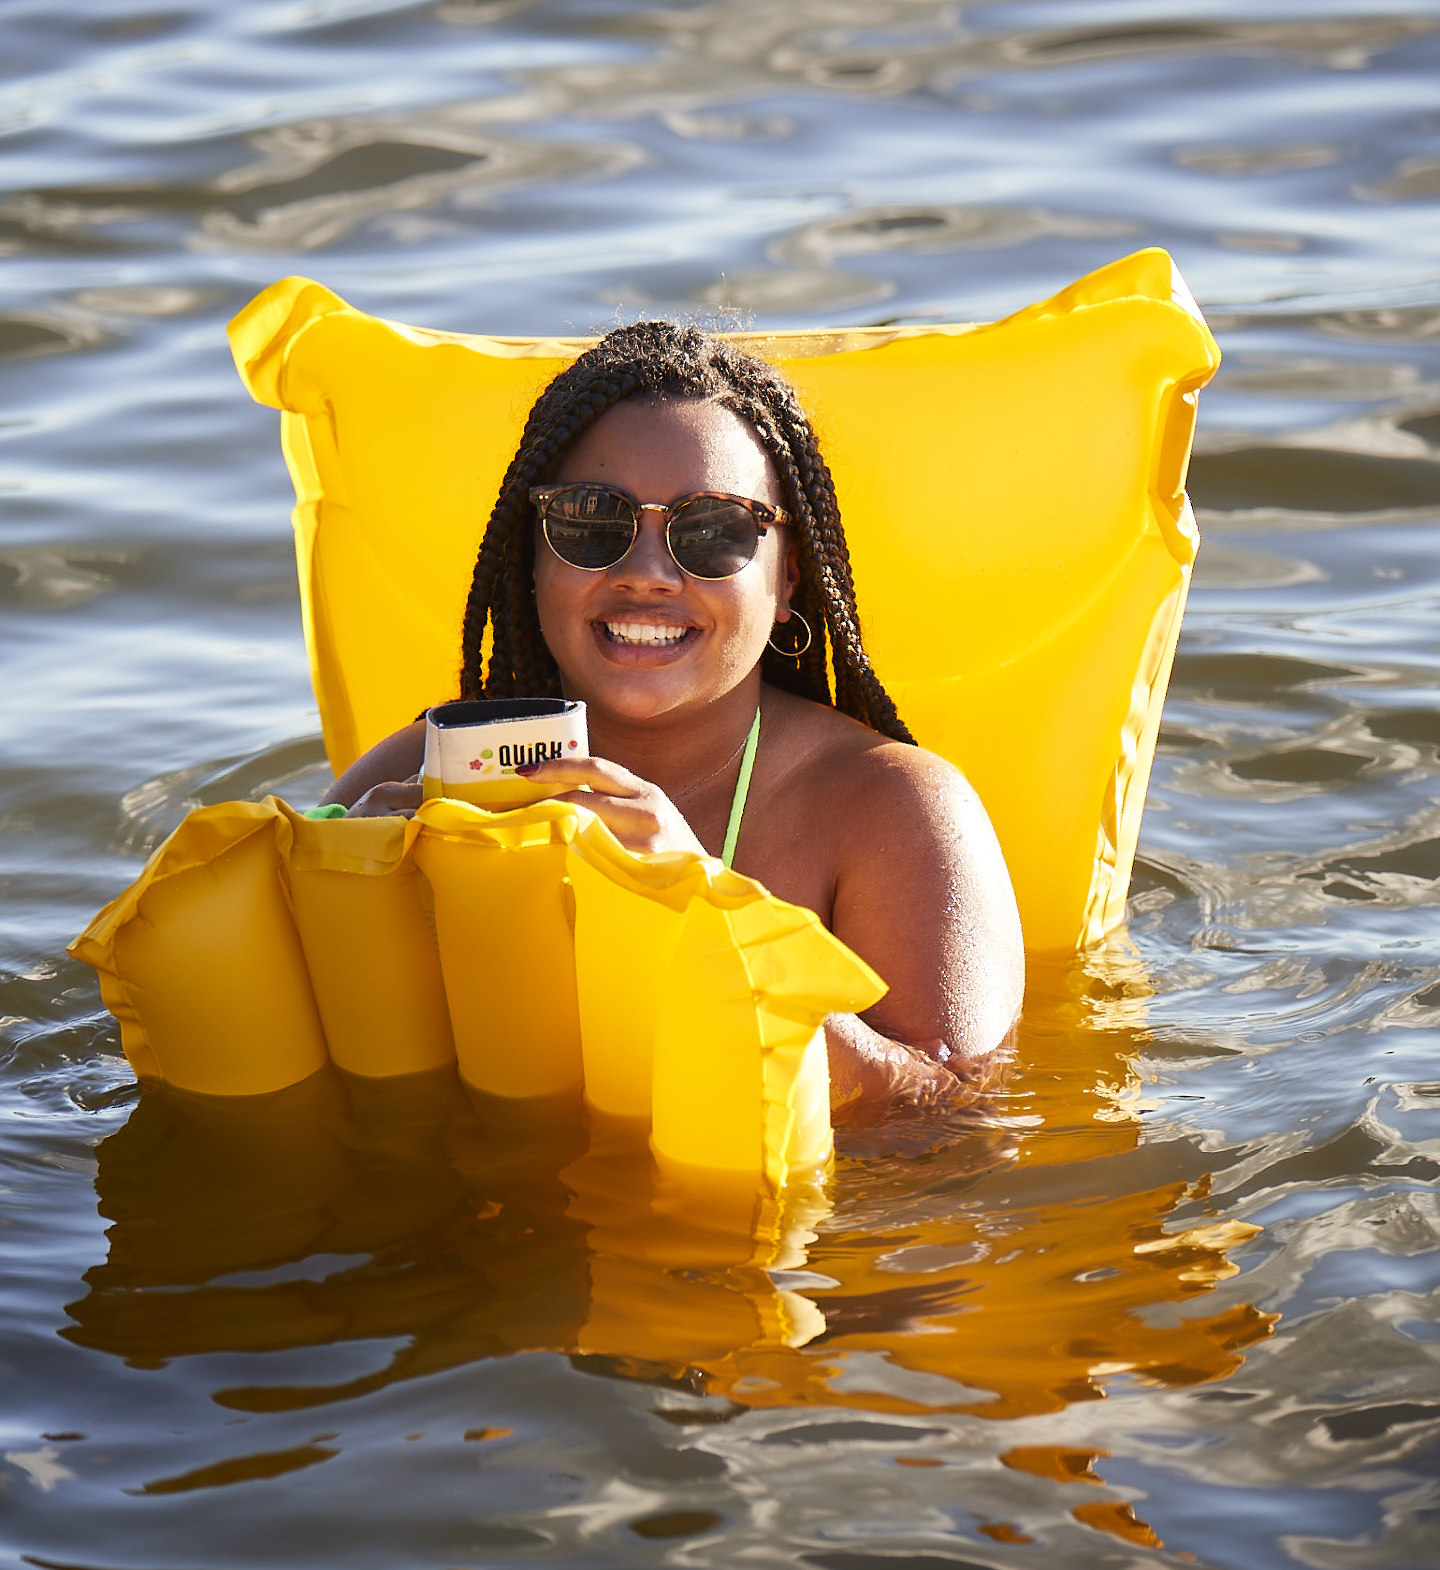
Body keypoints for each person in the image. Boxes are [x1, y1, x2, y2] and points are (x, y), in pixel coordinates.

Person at [323, 320, 1022, 1113]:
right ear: (535, 559)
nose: (647, 573)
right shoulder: (416, 775)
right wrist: (348, 885)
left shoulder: (897, 812)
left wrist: (703, 912)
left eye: (714, 531)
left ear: (787, 578)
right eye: (592, 521)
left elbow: (963, 1129)